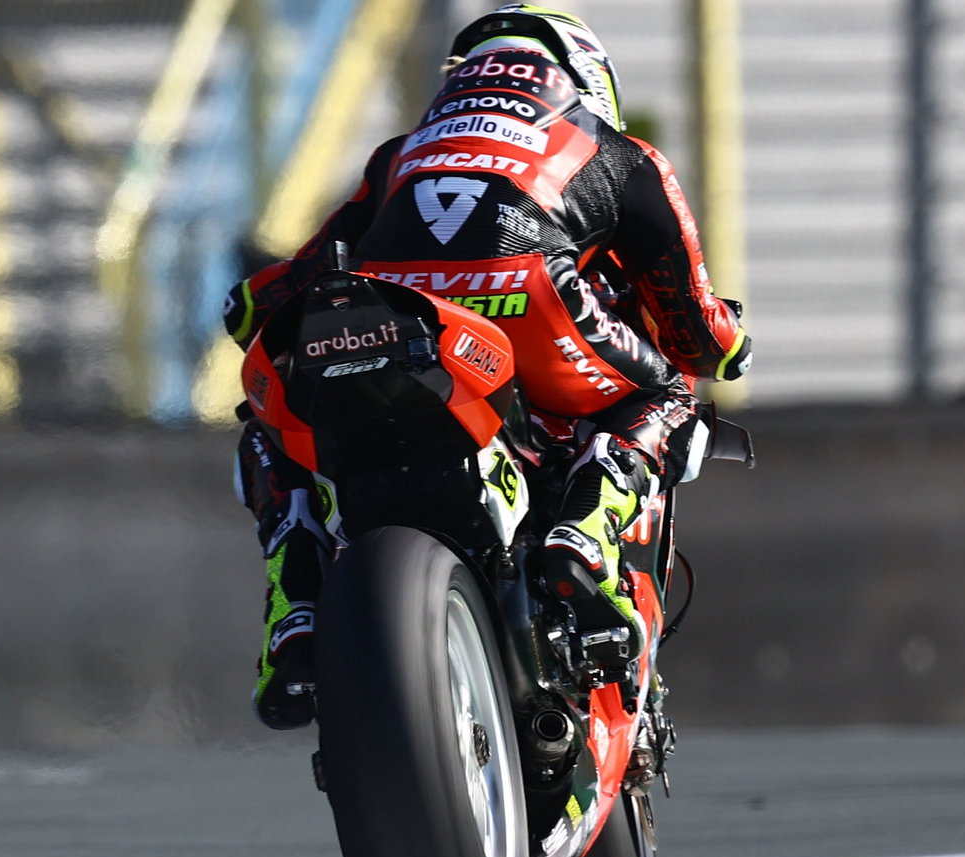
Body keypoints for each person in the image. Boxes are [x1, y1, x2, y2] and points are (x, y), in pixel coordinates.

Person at [224, 4, 752, 729]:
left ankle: (295, 602)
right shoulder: (618, 151)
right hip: (533, 307)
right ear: (590, 80)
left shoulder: (401, 153)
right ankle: (586, 535)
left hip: (401, 317)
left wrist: (247, 306)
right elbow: (698, 335)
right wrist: (733, 343)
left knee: (267, 425)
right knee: (663, 393)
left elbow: (284, 286)